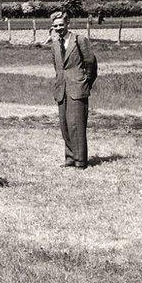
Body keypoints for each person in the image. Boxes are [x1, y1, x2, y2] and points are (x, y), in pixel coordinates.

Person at [49, 11, 98, 169]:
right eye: (55, 26)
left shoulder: (79, 40)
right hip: (61, 89)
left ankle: (80, 161)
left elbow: (91, 63)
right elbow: (57, 68)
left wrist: (85, 82)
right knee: (65, 125)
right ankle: (70, 158)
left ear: (67, 23)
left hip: (77, 88)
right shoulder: (55, 44)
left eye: (61, 25)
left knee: (76, 125)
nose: (58, 28)